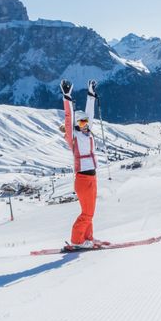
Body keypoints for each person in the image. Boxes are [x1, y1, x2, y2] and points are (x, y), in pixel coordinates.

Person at [59, 79, 105, 249]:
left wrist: (91, 93)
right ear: (77, 125)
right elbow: (69, 117)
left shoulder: (88, 132)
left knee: (90, 212)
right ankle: (77, 241)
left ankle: (88, 237)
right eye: (82, 123)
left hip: (92, 177)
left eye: (86, 122)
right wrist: (67, 97)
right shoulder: (73, 138)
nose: (85, 125)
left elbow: (89, 113)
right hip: (83, 179)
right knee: (87, 212)